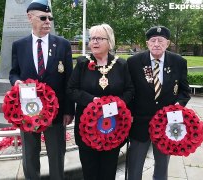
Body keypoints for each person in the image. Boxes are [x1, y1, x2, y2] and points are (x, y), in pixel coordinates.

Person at [9, 0, 75, 179]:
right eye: (43, 17)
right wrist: (16, 83)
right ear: (30, 18)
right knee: (30, 155)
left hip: (56, 112)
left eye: (50, 18)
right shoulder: (19, 45)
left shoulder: (62, 44)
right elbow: (14, 73)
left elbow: (69, 80)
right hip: (28, 111)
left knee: (56, 155)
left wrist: (69, 110)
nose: (48, 21)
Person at [67, 23, 134, 180]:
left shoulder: (121, 65)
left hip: (114, 130)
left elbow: (130, 91)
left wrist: (116, 104)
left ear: (109, 41)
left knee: (108, 172)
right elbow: (71, 90)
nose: (94, 42)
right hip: (86, 130)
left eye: (99, 38)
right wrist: (93, 101)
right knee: (89, 172)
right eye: (92, 38)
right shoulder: (82, 63)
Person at [127, 26, 191, 180]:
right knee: (134, 167)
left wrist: (178, 106)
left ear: (167, 43)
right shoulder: (134, 62)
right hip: (140, 123)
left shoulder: (179, 62)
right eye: (153, 40)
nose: (156, 44)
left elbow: (184, 91)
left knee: (162, 167)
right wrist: (128, 114)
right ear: (147, 43)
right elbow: (128, 90)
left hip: (166, 125)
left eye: (160, 40)